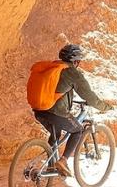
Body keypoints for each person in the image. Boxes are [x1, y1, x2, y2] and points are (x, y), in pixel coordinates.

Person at [33, 44, 112, 178]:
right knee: (78, 130)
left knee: (56, 134)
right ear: (76, 61)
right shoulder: (72, 73)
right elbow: (89, 97)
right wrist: (105, 107)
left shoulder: (53, 67)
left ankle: (50, 167)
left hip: (39, 110)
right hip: (55, 112)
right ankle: (63, 161)